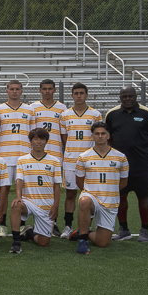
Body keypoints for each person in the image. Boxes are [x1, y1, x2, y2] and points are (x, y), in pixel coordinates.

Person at [105, 86, 148, 243]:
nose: (127, 98)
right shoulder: (112, 114)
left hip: (141, 164)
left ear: (135, 96)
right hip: (119, 166)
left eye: (130, 96)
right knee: (120, 196)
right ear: (120, 97)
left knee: (143, 197)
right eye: (124, 96)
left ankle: (145, 230)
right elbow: (107, 135)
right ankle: (124, 230)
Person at [72, 121, 129, 253]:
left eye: (103, 133)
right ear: (92, 136)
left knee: (102, 243)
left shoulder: (121, 157)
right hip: (91, 197)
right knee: (84, 201)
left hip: (110, 202)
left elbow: (123, 183)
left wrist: (108, 191)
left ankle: (82, 231)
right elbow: (79, 181)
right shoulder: (83, 157)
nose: (100, 136)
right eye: (97, 134)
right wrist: (90, 193)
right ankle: (83, 240)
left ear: (108, 136)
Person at [58, 83, 102, 239]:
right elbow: (65, 139)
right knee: (70, 194)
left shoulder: (95, 114)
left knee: (91, 194)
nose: (79, 96)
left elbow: (98, 136)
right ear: (72, 95)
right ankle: (68, 226)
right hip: (71, 161)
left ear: (87, 95)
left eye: (81, 93)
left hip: (90, 162)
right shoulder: (65, 115)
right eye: (76, 93)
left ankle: (88, 226)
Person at [9, 128, 62, 253]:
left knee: (44, 243)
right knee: (16, 205)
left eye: (42, 139)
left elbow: (57, 185)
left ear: (46, 141)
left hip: (46, 205)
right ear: (30, 141)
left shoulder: (55, 161)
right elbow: (19, 181)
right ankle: (16, 242)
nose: (39, 142)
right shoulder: (23, 159)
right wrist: (18, 197)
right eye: (36, 139)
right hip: (29, 202)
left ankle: (30, 233)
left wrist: (56, 206)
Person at [0, 79, 34, 235]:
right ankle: (2, 224)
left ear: (21, 91)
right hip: (4, 156)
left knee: (23, 192)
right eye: (11, 89)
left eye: (17, 89)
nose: (14, 91)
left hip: (24, 158)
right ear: (7, 91)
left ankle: (22, 223)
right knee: (3, 191)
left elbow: (33, 134)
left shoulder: (30, 110)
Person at [29, 79, 67, 236]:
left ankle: (53, 222)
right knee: (33, 188)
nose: (47, 91)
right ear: (40, 90)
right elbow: (31, 133)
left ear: (54, 90)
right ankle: (28, 221)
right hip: (37, 153)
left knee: (52, 188)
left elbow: (64, 132)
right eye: (44, 89)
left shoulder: (62, 108)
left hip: (55, 153)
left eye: (50, 89)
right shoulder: (32, 107)